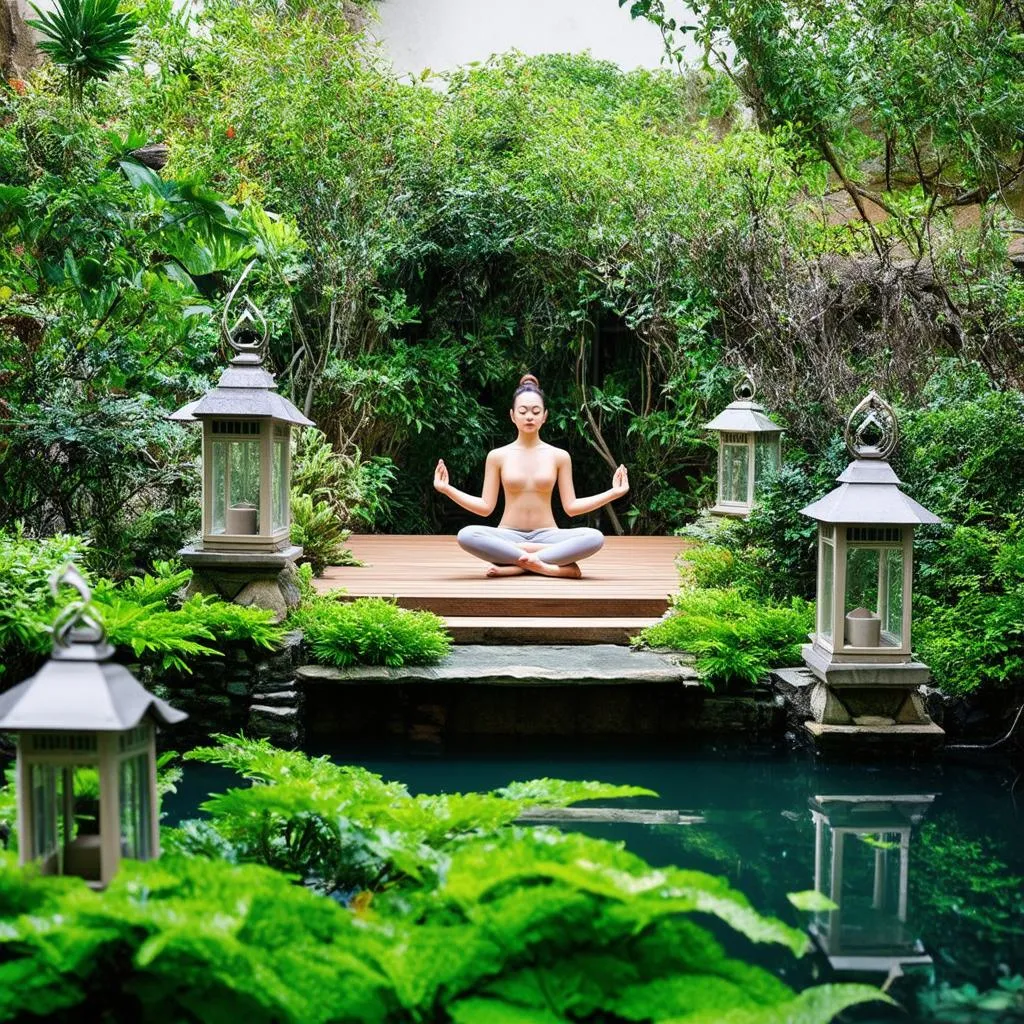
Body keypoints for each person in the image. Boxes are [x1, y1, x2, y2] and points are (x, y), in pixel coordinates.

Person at [433, 373, 629, 578]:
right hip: (508, 537)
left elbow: (571, 507)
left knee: (594, 537)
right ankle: (546, 564)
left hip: (548, 536)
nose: (529, 416)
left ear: (544, 416)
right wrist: (447, 489)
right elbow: (485, 507)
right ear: (512, 415)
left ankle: (518, 565)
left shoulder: (559, 456)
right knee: (467, 535)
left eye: (536, 411)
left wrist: (613, 493)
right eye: (523, 411)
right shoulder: (497, 456)